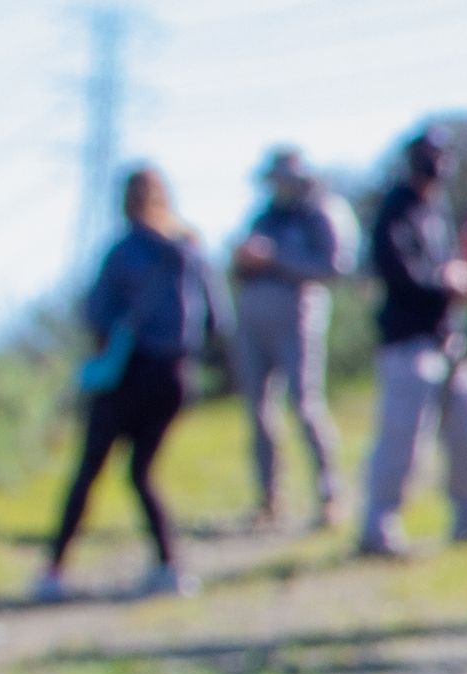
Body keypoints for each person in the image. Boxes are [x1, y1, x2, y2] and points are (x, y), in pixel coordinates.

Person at [39, 167, 223, 602]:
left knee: (89, 471)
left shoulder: (124, 252)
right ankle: (169, 567)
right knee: (142, 472)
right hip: (177, 376)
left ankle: (53, 571)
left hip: (129, 375)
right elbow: (217, 321)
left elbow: (95, 314)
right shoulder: (191, 251)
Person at [352, 130, 467, 558]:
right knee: (402, 441)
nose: (438, 165)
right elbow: (399, 272)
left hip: (450, 339)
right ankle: (378, 529)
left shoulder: (438, 208)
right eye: (430, 156)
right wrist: (443, 283)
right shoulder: (396, 209)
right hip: (409, 343)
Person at [228, 146, 358, 531]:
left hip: (298, 315)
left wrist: (275, 258)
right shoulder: (264, 215)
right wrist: (245, 260)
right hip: (253, 318)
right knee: (258, 411)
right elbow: (243, 264)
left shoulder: (320, 212)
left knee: (305, 404)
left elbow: (333, 267)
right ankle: (268, 499)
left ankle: (330, 494)